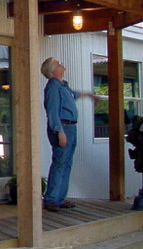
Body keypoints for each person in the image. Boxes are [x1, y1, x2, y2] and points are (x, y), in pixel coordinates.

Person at [41, 57, 98, 212]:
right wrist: (59, 131)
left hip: (70, 127)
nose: (63, 66)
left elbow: (74, 94)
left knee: (66, 163)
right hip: (63, 127)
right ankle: (51, 199)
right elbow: (52, 111)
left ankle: (59, 198)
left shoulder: (62, 86)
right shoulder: (53, 86)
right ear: (53, 71)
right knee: (60, 163)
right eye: (59, 64)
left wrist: (89, 95)